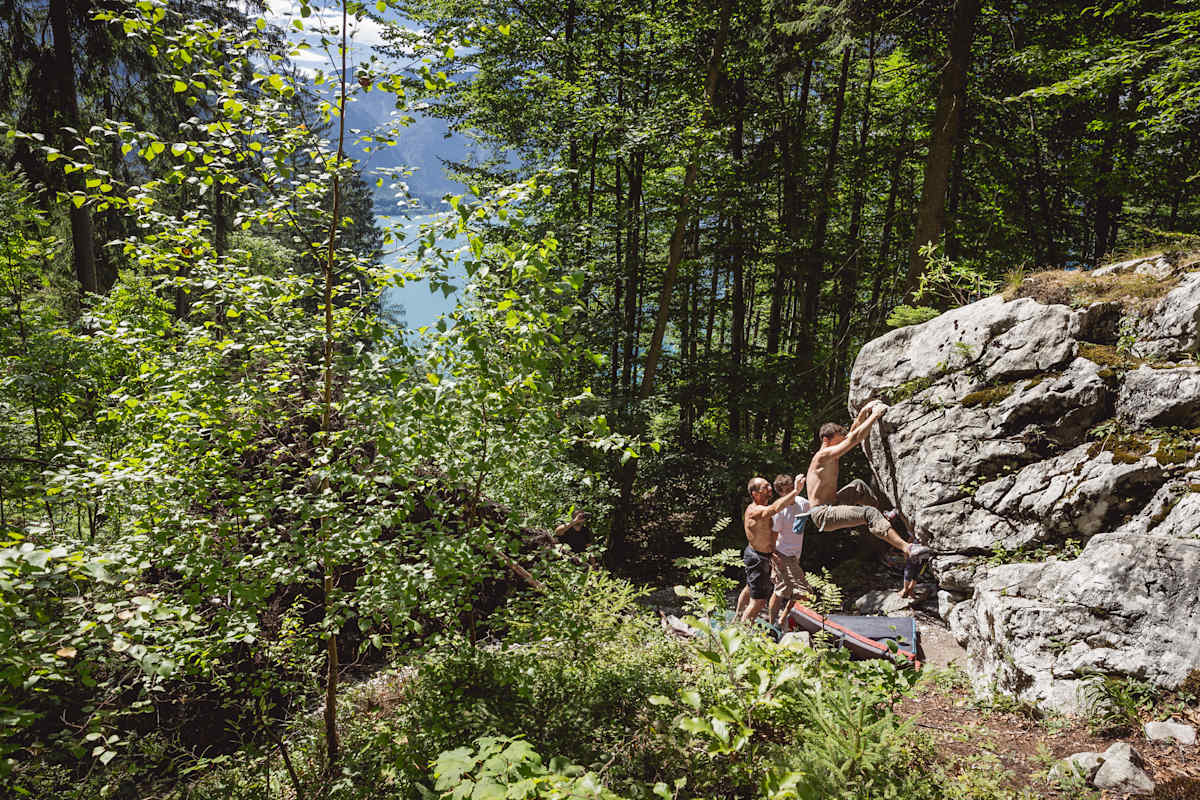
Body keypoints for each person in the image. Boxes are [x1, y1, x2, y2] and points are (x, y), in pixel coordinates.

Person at [806, 401, 931, 560]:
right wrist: (875, 415)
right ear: (827, 439)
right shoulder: (822, 456)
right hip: (824, 514)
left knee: (858, 486)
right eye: (839, 438)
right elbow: (854, 439)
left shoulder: (830, 454)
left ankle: (882, 517)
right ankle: (908, 548)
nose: (843, 439)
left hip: (834, 501)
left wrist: (864, 411)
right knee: (869, 513)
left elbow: (852, 434)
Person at [740, 474, 802, 622]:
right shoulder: (754, 511)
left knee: (750, 589)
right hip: (756, 557)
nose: (769, 488)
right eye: (765, 487)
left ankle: (737, 619)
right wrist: (795, 491)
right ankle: (742, 632)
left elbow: (770, 534)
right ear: (755, 494)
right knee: (759, 601)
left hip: (763, 555)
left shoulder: (763, 508)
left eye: (769, 485)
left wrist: (772, 552)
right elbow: (775, 508)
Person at [768, 473, 813, 626]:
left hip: (795, 555)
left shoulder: (804, 503)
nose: (789, 493)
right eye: (784, 491)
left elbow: (819, 507)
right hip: (782, 555)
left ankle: (782, 619)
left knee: (792, 591)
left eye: (791, 489)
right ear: (780, 493)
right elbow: (772, 539)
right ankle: (771, 624)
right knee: (791, 592)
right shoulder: (779, 510)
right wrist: (773, 562)